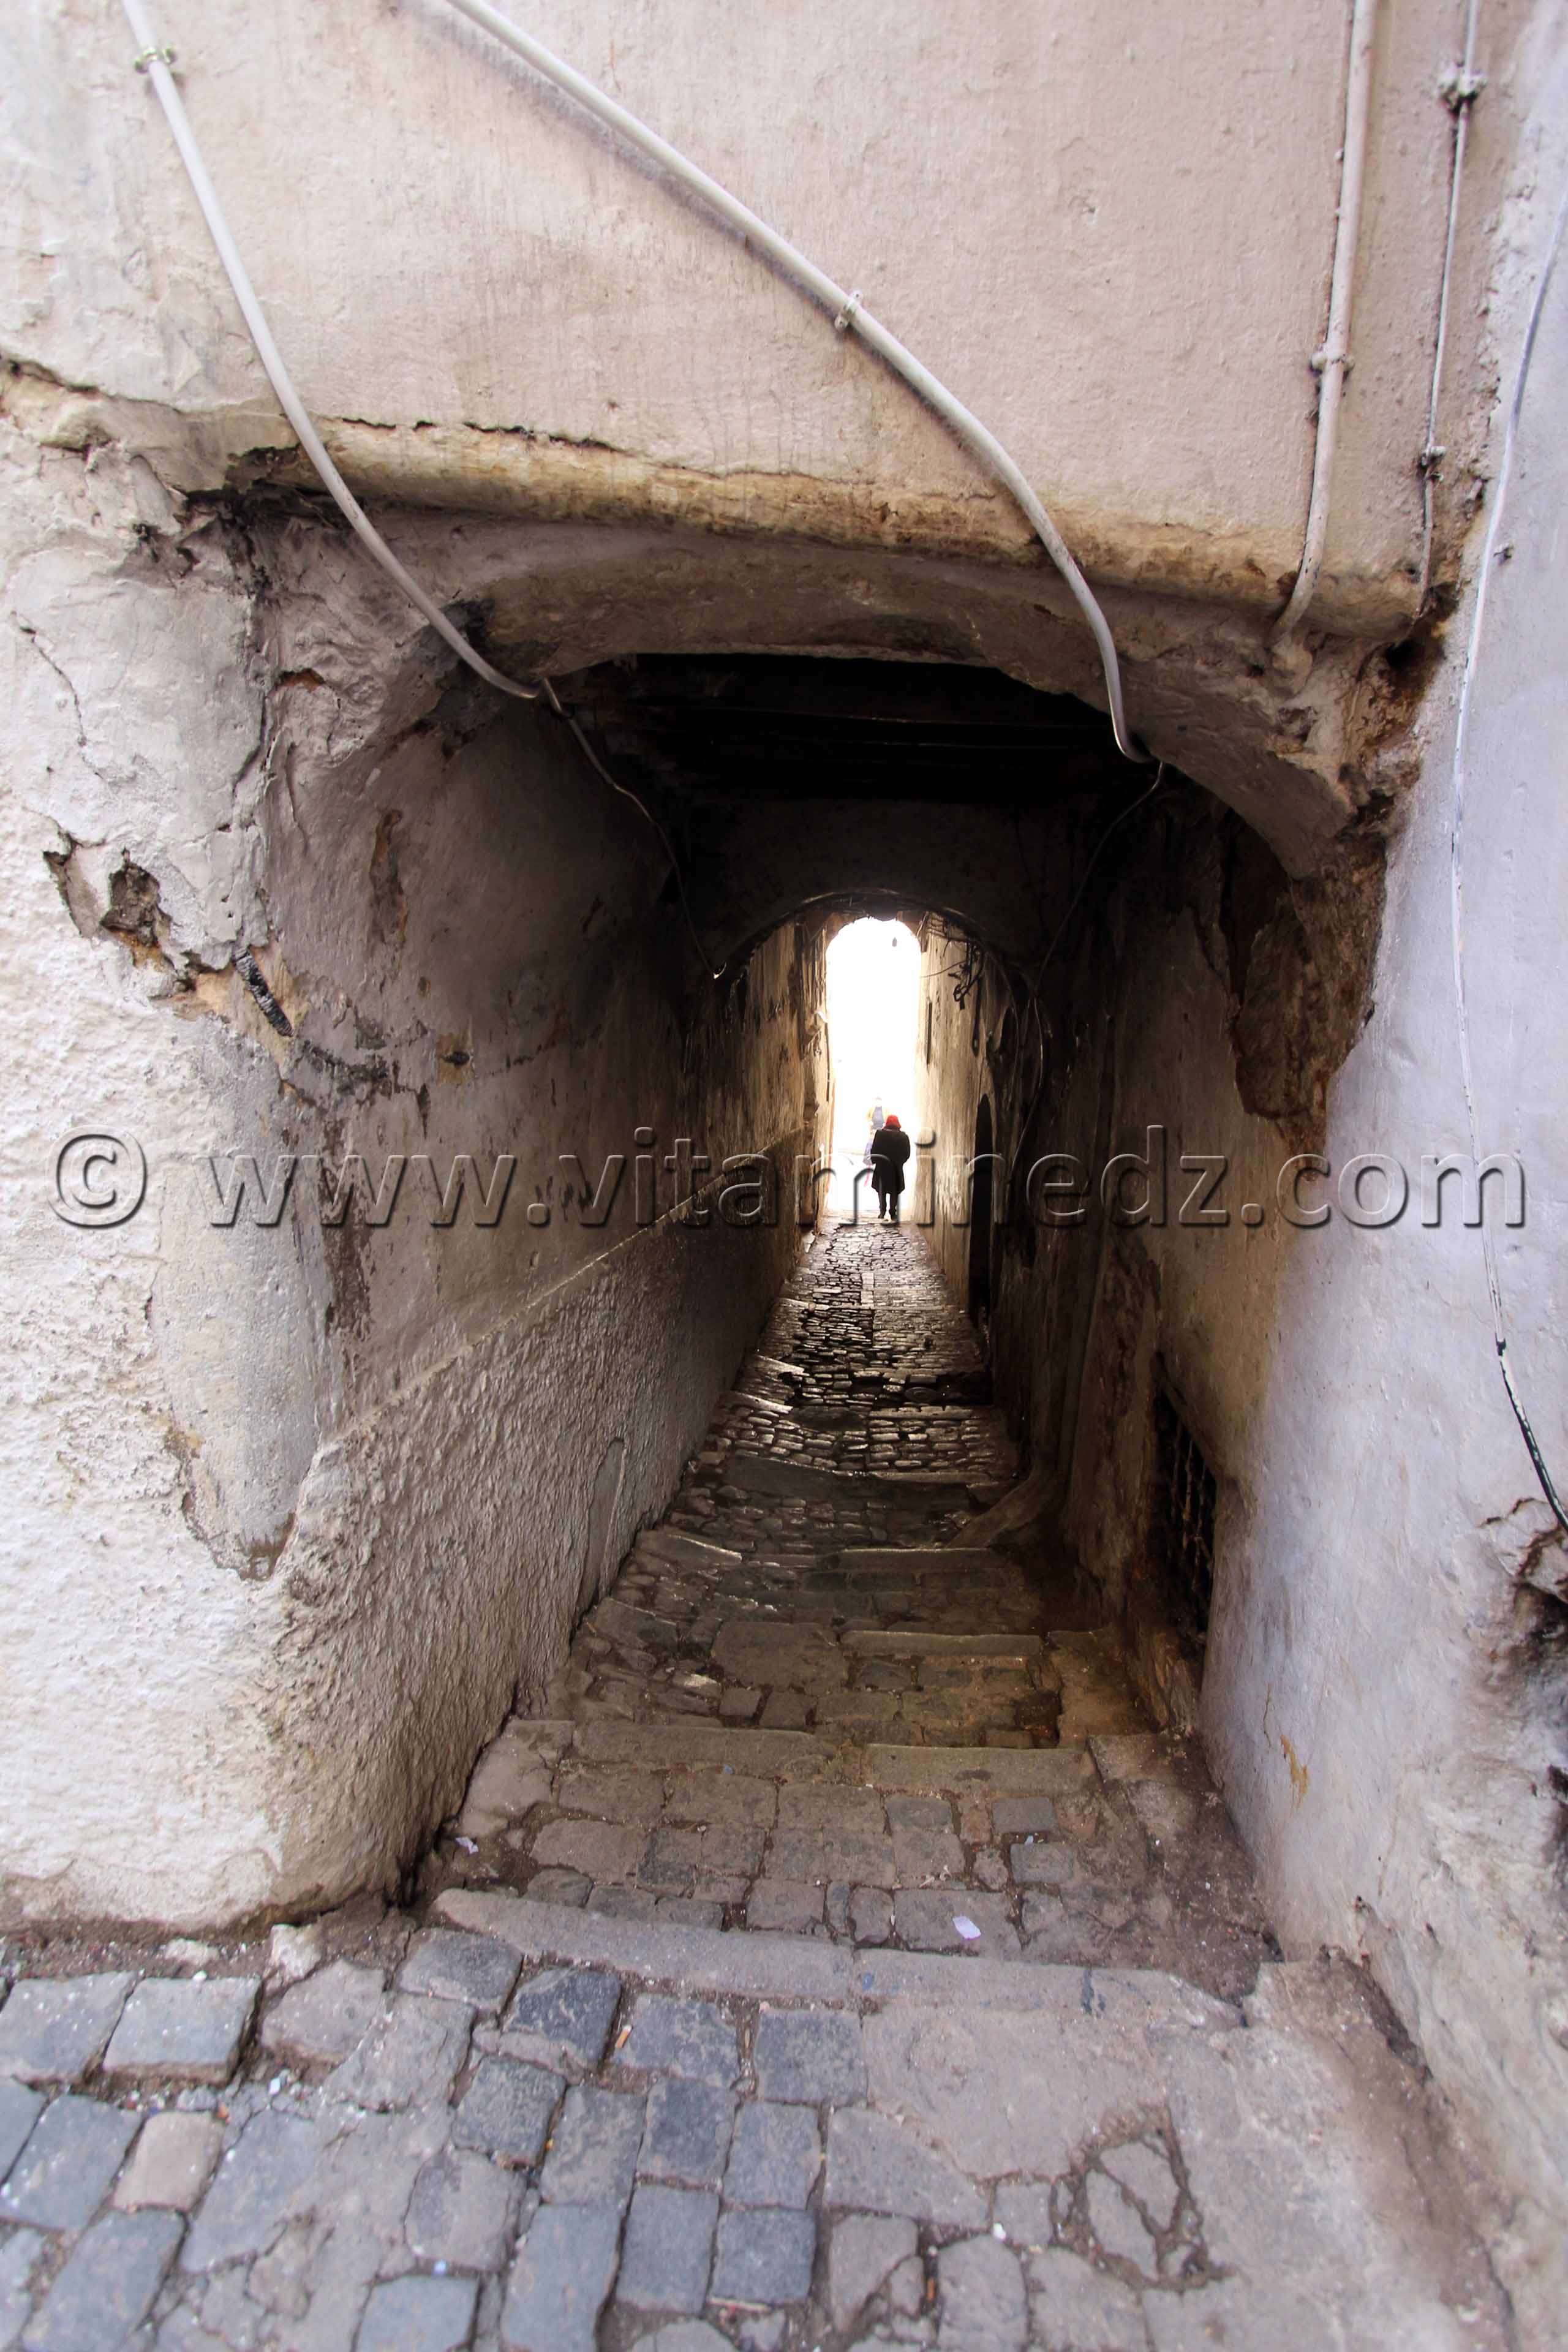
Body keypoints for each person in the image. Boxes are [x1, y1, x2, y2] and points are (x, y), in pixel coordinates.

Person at [869, 1112, 912, 1222]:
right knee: (894, 1191)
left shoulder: (880, 1134)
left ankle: (882, 1211)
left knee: (882, 1190)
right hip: (896, 1168)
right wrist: (900, 1162)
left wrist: (876, 1161)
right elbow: (907, 1153)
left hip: (882, 1168)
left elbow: (874, 1149)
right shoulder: (903, 1137)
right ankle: (893, 1212)